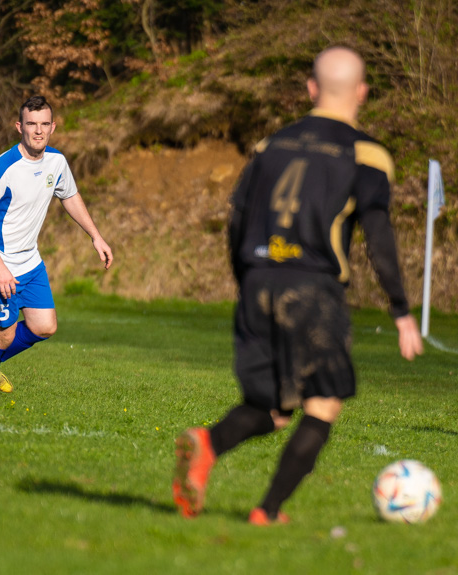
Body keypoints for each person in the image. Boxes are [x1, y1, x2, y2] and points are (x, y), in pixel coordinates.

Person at [171, 46, 424, 525]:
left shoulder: (271, 145)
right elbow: (379, 236)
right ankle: (267, 511)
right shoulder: (367, 153)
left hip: (258, 278)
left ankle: (207, 444)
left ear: (311, 88)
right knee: (322, 405)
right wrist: (400, 309)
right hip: (311, 288)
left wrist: (247, 279)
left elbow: (237, 220)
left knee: (271, 406)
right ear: (362, 92)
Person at [0, 95, 113, 403]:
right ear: (20, 126)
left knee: (44, 326)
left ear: (53, 127)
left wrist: (95, 236)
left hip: (29, 262)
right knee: (3, 333)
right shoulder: (4, 167)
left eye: (44, 124)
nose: (38, 131)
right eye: (31, 124)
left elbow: (69, 196)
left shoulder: (56, 162)